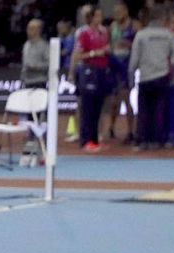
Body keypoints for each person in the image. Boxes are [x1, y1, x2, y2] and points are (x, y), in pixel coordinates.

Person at [128, 4, 174, 149]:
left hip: (145, 77)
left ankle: (142, 140)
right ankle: (159, 140)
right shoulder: (168, 35)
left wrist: (131, 79)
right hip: (162, 76)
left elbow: (134, 60)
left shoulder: (141, 35)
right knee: (160, 110)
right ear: (162, 18)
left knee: (144, 111)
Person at [72, 4, 110, 152]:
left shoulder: (103, 32)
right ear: (91, 18)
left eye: (101, 16)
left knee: (97, 107)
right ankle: (85, 140)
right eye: (97, 16)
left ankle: (94, 140)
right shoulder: (84, 33)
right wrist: (95, 53)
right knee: (87, 107)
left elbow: (105, 50)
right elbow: (78, 55)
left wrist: (106, 51)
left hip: (101, 72)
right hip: (88, 71)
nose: (100, 19)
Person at [106, 2, 135, 143]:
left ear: (126, 12)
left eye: (119, 12)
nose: (117, 15)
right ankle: (111, 128)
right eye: (115, 12)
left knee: (126, 98)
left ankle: (131, 131)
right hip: (114, 65)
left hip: (126, 65)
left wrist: (128, 44)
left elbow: (138, 44)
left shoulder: (134, 25)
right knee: (113, 101)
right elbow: (109, 44)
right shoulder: (112, 27)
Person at [19, 18, 49, 88]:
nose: (28, 31)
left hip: (39, 81)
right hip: (26, 81)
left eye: (31, 28)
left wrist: (35, 67)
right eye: (28, 28)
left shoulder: (44, 46)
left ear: (38, 30)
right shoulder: (26, 45)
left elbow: (49, 64)